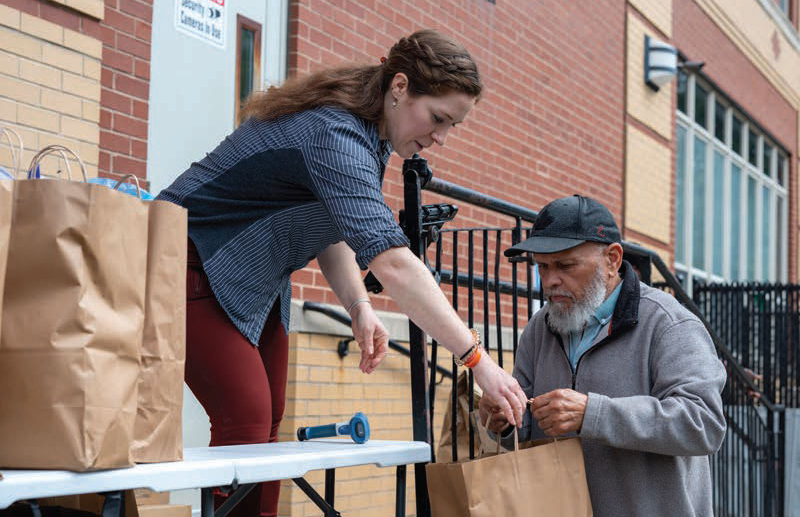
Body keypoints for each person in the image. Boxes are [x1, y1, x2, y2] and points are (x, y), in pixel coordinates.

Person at [157, 30, 527, 517]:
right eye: (438, 118)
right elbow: (393, 263)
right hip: (186, 256)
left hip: (254, 278)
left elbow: (332, 233)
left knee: (267, 424)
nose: (439, 137)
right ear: (399, 87)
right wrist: (479, 361)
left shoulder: (370, 142)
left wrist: (359, 305)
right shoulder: (335, 133)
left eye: (451, 127)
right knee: (246, 419)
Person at [478, 195, 726, 517]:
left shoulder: (669, 323)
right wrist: (503, 420)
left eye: (566, 266)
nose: (550, 280)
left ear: (612, 259)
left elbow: (703, 423)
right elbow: (524, 426)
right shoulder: (540, 326)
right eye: (542, 266)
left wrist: (593, 414)